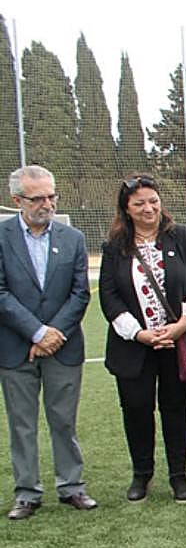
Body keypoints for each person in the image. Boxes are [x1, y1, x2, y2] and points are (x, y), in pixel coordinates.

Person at [99, 174, 186, 503]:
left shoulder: (180, 237)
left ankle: (179, 476)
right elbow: (109, 297)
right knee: (136, 409)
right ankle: (142, 474)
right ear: (126, 208)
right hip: (133, 346)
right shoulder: (114, 247)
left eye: (153, 201)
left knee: (177, 409)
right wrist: (140, 334)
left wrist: (180, 325)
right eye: (139, 203)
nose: (148, 208)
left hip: (177, 343)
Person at [0, 165, 96, 519]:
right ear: (17, 200)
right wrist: (37, 333)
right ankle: (27, 493)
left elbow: (80, 293)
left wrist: (53, 333)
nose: (47, 204)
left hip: (63, 346)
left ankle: (72, 487)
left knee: (64, 421)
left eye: (51, 196)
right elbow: (1, 292)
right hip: (15, 348)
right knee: (22, 424)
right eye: (37, 198)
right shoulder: (2, 236)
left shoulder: (73, 238)